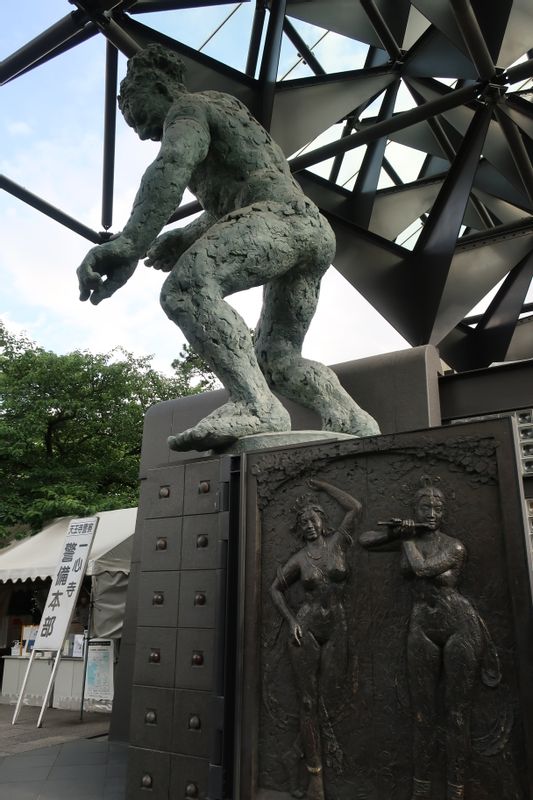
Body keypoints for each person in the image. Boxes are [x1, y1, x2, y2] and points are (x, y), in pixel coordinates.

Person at [76, 43, 379, 451]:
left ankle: (254, 406)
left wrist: (130, 242)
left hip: (282, 220)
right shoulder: (227, 112)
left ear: (159, 86)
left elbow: (172, 163)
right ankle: (353, 421)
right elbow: (242, 195)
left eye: (135, 111)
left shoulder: (188, 110)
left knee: (186, 290)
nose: (141, 129)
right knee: (277, 359)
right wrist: (184, 235)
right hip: (310, 231)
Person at [360, 479, 500, 800]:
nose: (432, 513)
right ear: (416, 510)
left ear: (445, 512)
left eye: (438, 508)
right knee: (422, 713)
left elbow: (422, 570)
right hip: (422, 624)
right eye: (426, 507)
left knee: (457, 712)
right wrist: (397, 533)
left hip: (459, 626)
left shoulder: (454, 546)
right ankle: (420, 789)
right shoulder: (412, 538)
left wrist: (407, 539)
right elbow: (366, 542)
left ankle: (456, 790)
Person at [270, 478, 361, 800]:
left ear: (323, 521)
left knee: (332, 694)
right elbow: (275, 589)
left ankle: (292, 754)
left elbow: (355, 507)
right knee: (308, 701)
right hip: (306, 627)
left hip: (337, 624)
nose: (308, 526)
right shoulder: (298, 559)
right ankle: (315, 778)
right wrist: (291, 619)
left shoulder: (338, 543)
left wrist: (323, 486)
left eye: (313, 519)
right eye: (303, 522)